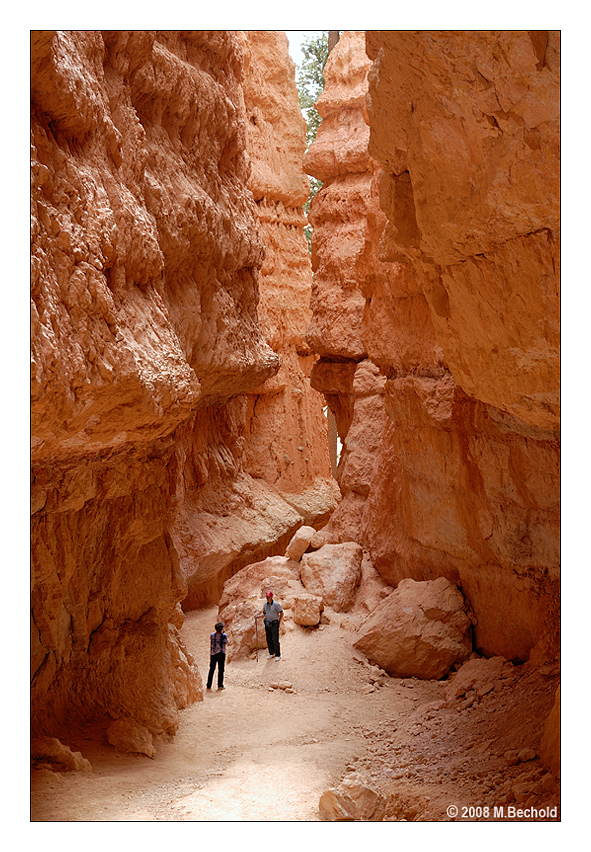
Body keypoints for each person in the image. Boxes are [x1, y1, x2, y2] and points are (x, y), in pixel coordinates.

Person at [255, 590, 283, 660]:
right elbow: (264, 614)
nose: (268, 598)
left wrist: (279, 622)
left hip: (274, 623)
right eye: (267, 597)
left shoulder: (276, 604)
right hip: (267, 624)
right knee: (269, 639)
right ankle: (272, 653)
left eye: (269, 597)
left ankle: (278, 654)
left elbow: (281, 612)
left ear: (272, 597)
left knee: (275, 639)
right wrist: (257, 616)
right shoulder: (265, 605)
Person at [207, 621, 228, 690]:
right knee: (221, 669)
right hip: (221, 653)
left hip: (213, 654)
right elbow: (226, 642)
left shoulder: (212, 635)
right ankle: (220, 685)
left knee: (212, 669)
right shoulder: (224, 635)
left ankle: (209, 684)